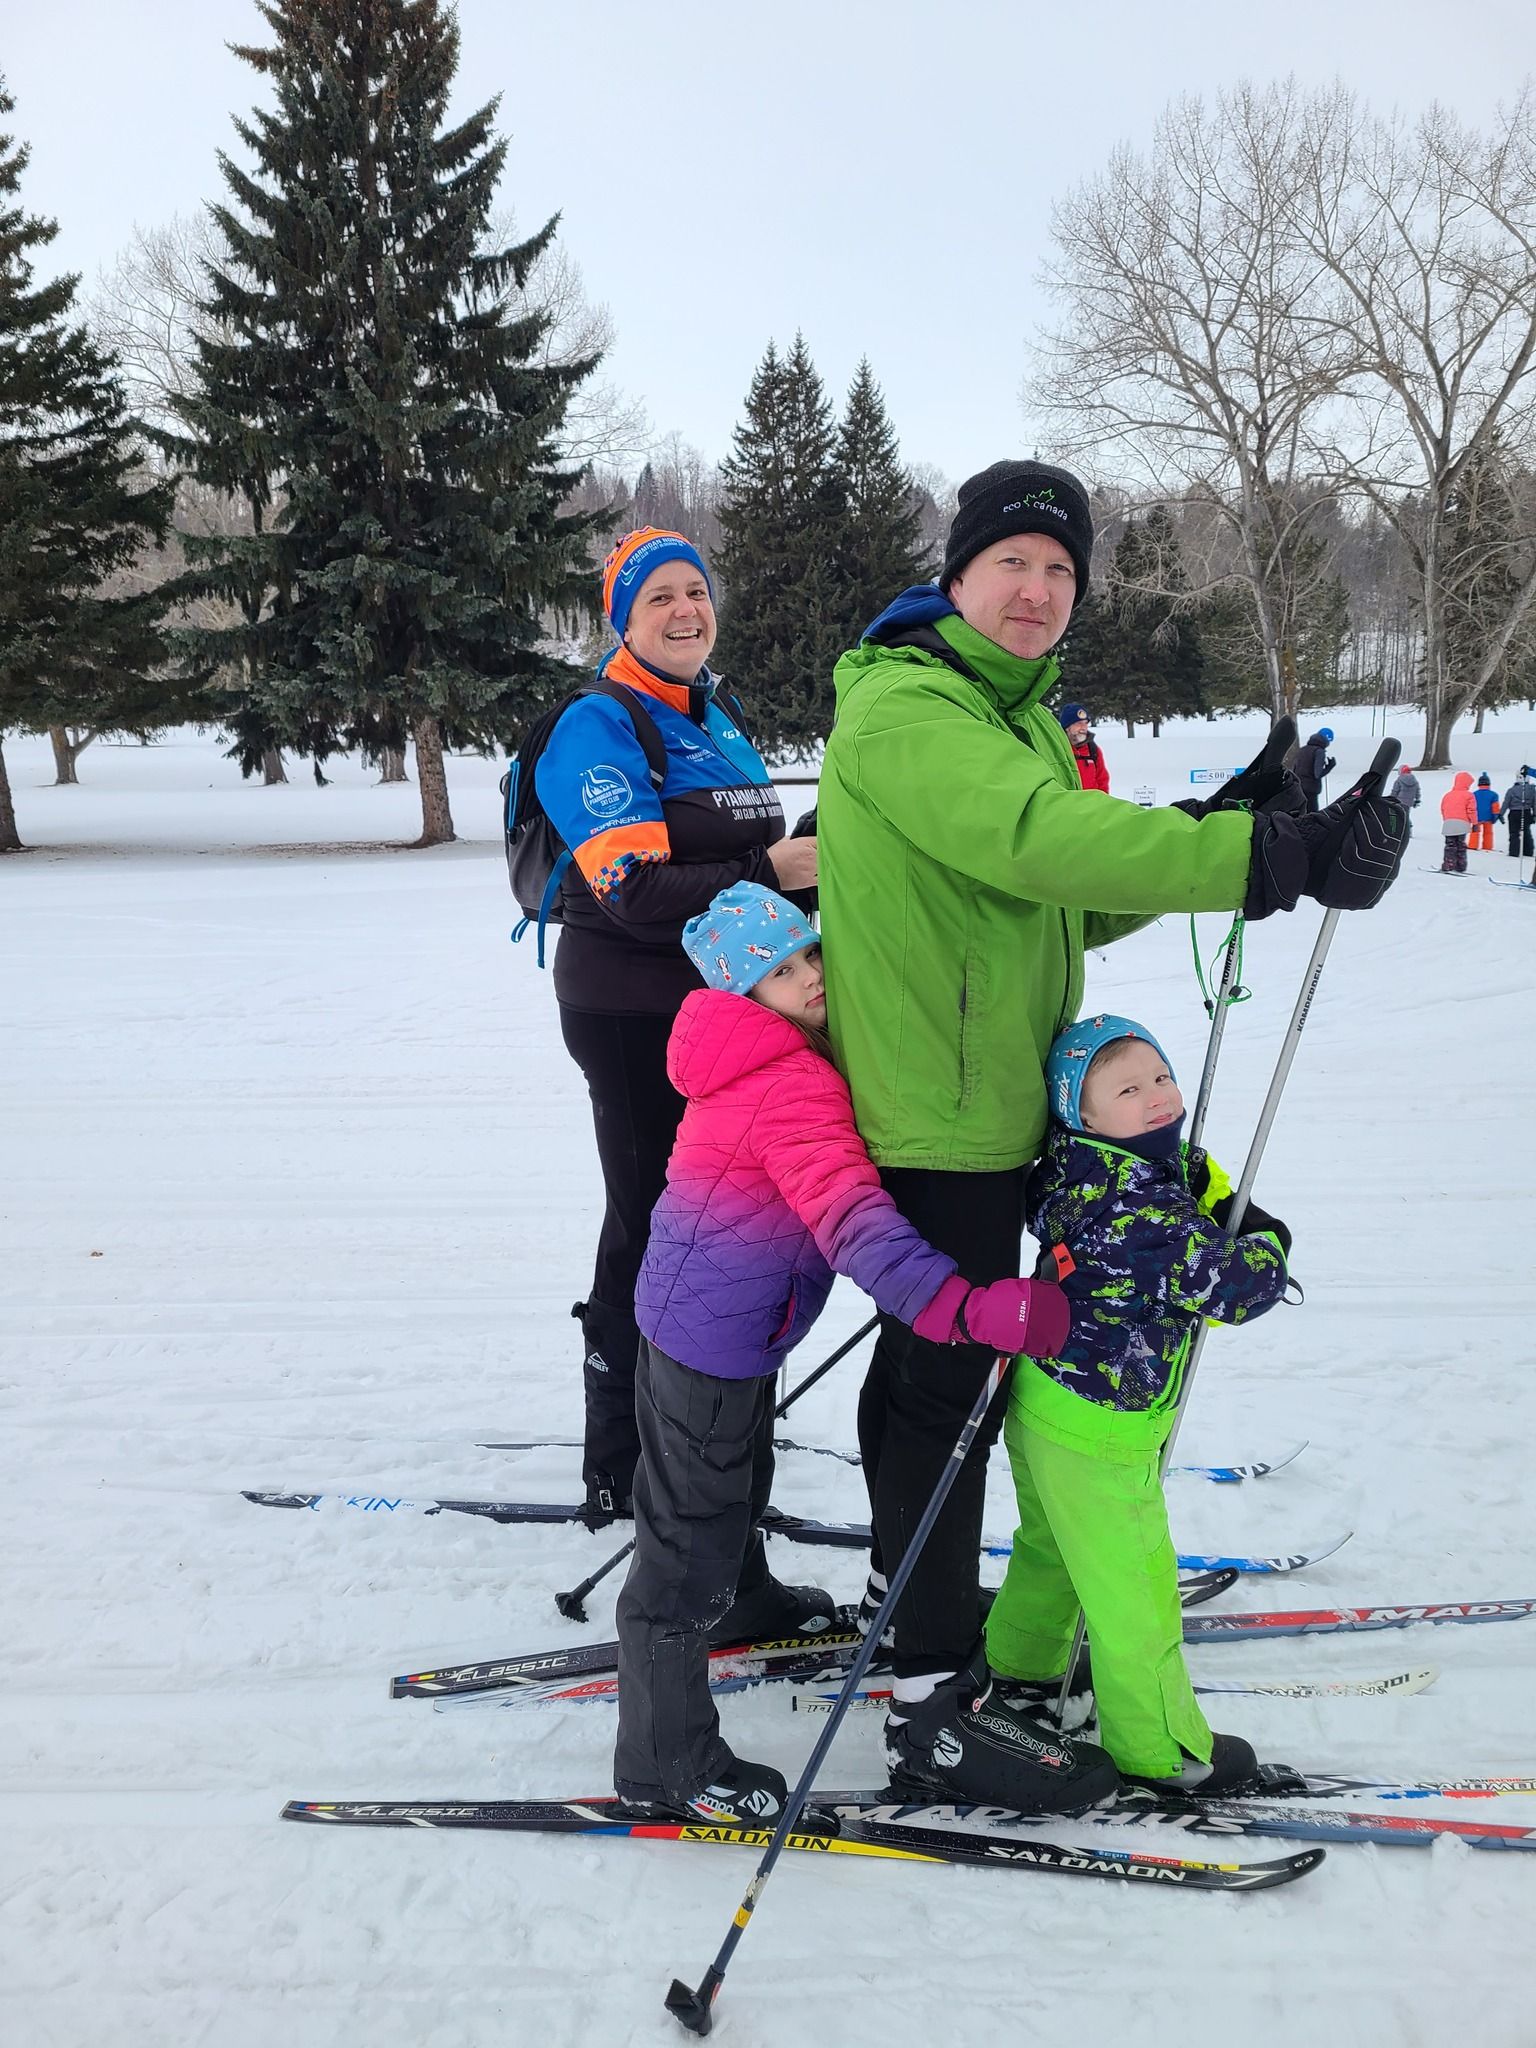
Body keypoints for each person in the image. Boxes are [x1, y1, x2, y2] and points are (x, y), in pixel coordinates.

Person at [817, 457, 1408, 1807]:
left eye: (1061, 572)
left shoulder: (1012, 713)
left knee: (940, 1381)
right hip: (930, 1114)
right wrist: (1264, 864)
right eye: (1012, 563)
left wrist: (1225, 823)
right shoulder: (910, 708)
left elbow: (1064, 902)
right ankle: (929, 1683)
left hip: (989, 1103)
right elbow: (1037, 839)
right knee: (941, 1391)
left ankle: (932, 1618)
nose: (1036, 591)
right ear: (956, 573)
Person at [613, 883, 1115, 1825]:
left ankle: (744, 1599)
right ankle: (661, 1757)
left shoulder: (756, 1056)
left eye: (810, 955)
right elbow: (855, 1227)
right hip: (712, 1340)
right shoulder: (789, 1083)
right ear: (739, 993)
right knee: (683, 1548)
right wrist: (964, 1307)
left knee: (726, 1484)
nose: (810, 979)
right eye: (779, 973)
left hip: (705, 1323)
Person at [535, 528, 817, 1520]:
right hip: (630, 1007)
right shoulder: (600, 722)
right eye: (659, 597)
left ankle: (705, 1429)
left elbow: (762, 844)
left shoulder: (715, 711)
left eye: (695, 590)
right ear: (624, 618)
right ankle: (621, 1455)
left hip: (728, 1012)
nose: (685, 609)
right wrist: (772, 873)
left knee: (727, 1226)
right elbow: (635, 891)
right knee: (654, 1223)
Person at [982, 1015, 1291, 1796]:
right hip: (1103, 1425)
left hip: (1046, 1397)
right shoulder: (1140, 1214)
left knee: (1051, 1546)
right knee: (1136, 1590)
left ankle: (1021, 1660)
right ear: (1082, 1115)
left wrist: (1195, 1178)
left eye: (1160, 1077)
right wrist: (1266, 1237)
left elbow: (1176, 1172)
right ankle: (1161, 1750)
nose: (1156, 1098)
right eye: (1127, 1089)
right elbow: (1234, 1287)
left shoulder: (1075, 1166)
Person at [1058, 702, 1110, 792]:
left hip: (1091, 804)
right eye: (1079, 723)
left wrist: (1103, 803)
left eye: (1085, 723)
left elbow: (1102, 781)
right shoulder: (1057, 749)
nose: (1084, 728)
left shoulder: (1093, 750)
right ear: (1067, 727)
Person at [1440, 770, 1477, 874]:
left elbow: (1443, 809)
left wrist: (1446, 819)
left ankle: (1448, 863)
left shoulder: (1447, 795)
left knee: (1450, 845)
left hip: (1449, 823)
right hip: (1462, 824)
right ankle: (1460, 866)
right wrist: (1474, 823)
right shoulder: (1469, 795)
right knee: (1461, 845)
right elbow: (1471, 810)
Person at [1294, 728, 1336, 811]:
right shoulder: (1319, 752)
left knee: (1300, 812)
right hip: (1311, 789)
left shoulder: (1302, 750)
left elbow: (1294, 768)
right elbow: (1317, 774)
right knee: (1312, 814)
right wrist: (1329, 767)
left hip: (1298, 787)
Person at [1504, 766, 1535, 859]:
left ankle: (1514, 852)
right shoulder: (1532, 790)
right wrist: (1534, 814)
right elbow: (1535, 803)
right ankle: (1528, 851)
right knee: (1526, 831)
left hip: (1514, 813)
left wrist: (1501, 813)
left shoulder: (1511, 790)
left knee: (1514, 833)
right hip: (1526, 812)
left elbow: (1506, 802)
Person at [1470, 774, 1501, 853]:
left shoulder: (1474, 794)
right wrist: (1495, 816)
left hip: (1477, 817)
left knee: (1475, 831)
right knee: (1488, 833)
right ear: (1489, 784)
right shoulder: (1493, 795)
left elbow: (1471, 806)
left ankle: (1473, 845)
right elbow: (1495, 807)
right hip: (1489, 817)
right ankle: (1487, 846)